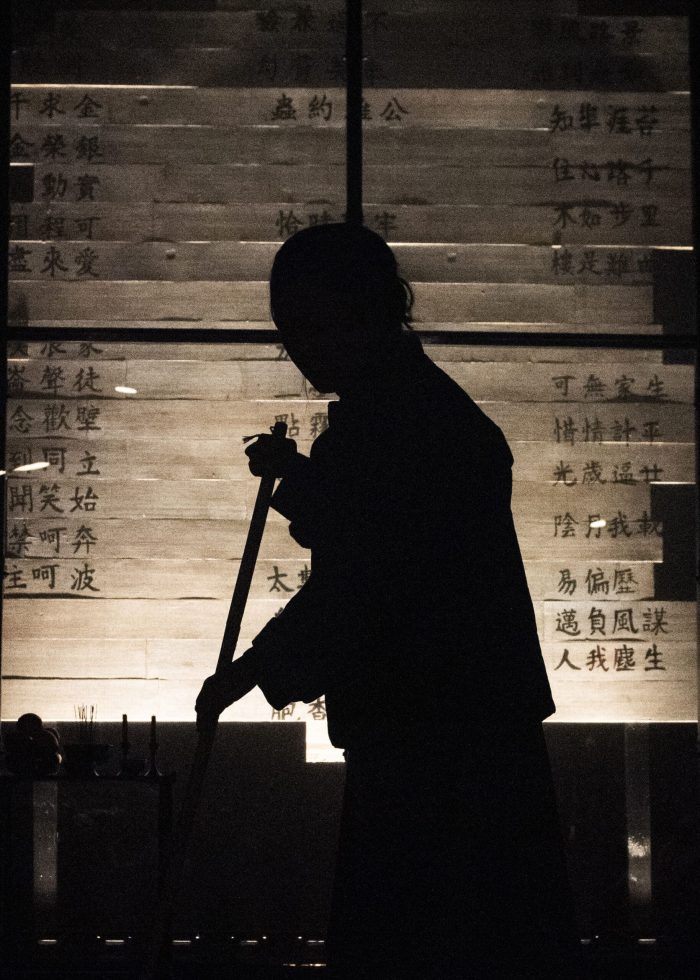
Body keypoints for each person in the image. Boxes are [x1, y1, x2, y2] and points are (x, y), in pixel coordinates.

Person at [196, 223, 579, 979]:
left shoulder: (394, 421)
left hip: (434, 737)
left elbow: (370, 579)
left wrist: (250, 671)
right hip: (468, 725)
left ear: (369, 308)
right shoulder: (417, 409)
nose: (301, 348)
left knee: (418, 940)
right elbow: (375, 529)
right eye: (289, 332)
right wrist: (301, 479)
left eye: (310, 324)